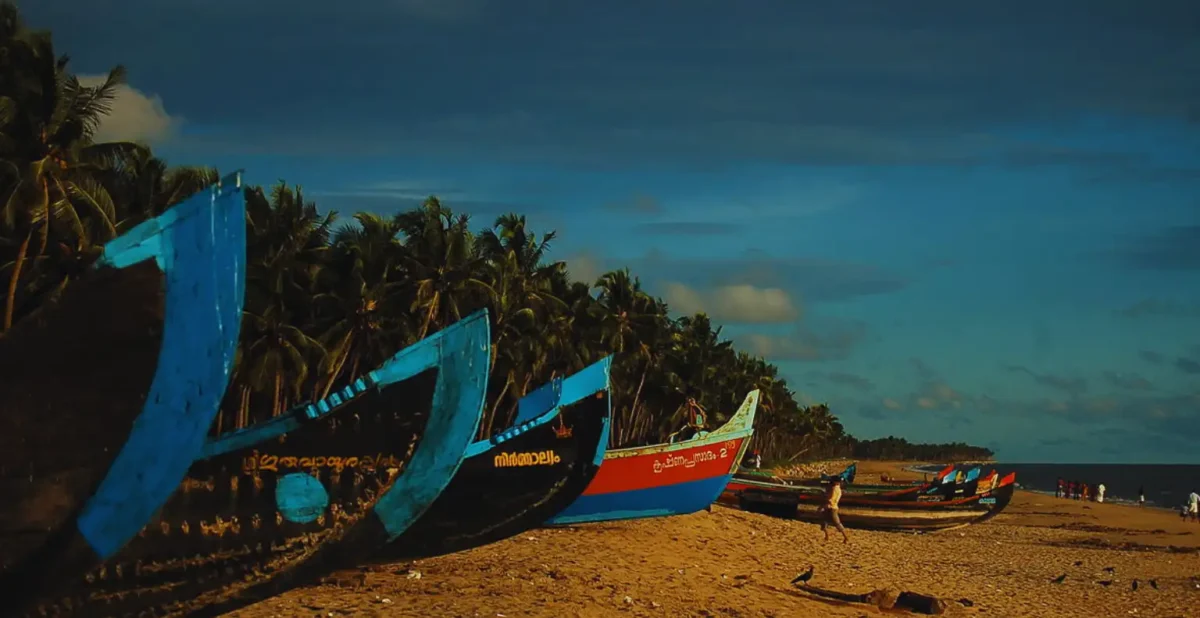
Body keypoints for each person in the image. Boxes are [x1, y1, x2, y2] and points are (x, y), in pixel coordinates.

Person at [819, 478, 849, 544]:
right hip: (831, 507)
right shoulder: (836, 489)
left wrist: (824, 499)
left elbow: (831, 499)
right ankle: (828, 536)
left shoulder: (834, 489)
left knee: (835, 522)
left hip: (831, 507)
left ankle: (845, 537)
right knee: (827, 522)